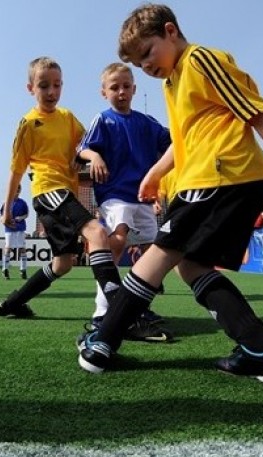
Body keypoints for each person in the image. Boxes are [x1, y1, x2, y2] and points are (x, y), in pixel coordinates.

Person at [77, 4, 263, 385]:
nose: (146, 66)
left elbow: (256, 110)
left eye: (148, 53)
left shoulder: (201, 60)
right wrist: (157, 173)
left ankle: (103, 338)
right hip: (218, 181)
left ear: (170, 32)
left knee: (157, 257)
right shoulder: (173, 80)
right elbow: (185, 137)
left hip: (219, 177)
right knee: (192, 266)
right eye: (138, 63)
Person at [0, 56, 121, 320]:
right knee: (97, 234)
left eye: (57, 85)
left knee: (63, 264)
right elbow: (16, 170)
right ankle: (123, 314)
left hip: (65, 191)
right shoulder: (29, 124)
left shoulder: (67, 117)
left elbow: (86, 144)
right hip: (48, 190)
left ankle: (13, 303)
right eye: (43, 86)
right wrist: (7, 208)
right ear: (31, 88)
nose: (51, 92)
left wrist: (86, 157)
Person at [77, 62, 173, 343]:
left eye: (126, 86)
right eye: (114, 87)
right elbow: (82, 148)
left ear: (134, 88)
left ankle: (139, 306)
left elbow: (172, 140)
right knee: (117, 239)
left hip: (142, 196)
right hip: (114, 194)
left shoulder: (147, 122)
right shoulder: (103, 120)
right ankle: (103, 309)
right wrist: (94, 157)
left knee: (154, 251)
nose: (121, 91)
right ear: (104, 92)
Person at [0, 184, 30, 280]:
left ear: (20, 190)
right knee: (8, 247)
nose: (16, 191)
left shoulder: (23, 203)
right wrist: (4, 220)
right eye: (15, 188)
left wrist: (20, 218)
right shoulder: (7, 202)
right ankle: (5, 269)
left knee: (22, 248)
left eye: (18, 189)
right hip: (9, 229)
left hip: (20, 228)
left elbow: (26, 214)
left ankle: (23, 270)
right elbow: (1, 215)